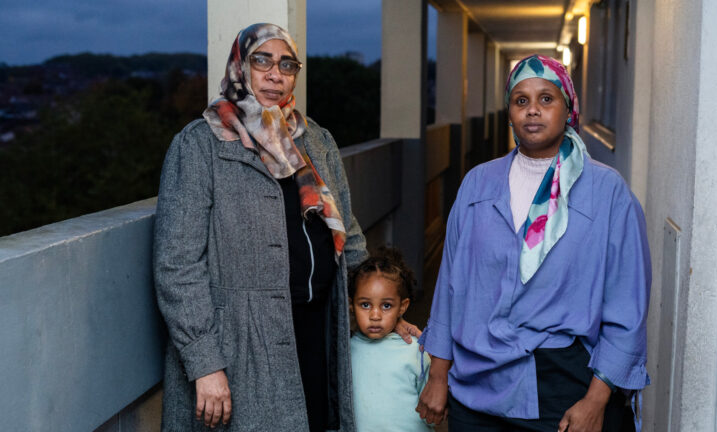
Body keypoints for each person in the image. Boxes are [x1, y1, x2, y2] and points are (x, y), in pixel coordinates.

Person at [154, 23, 418, 432]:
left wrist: (383, 303)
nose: (276, 74)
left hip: (317, 331)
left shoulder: (316, 141)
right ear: (241, 65)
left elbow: (348, 234)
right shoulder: (199, 146)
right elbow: (177, 266)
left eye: (287, 64)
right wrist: (205, 362)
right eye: (262, 61)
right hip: (241, 341)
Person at [416, 54, 651, 432]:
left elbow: (627, 306)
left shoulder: (607, 192)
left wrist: (596, 400)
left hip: (562, 388)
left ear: (568, 107)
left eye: (546, 98)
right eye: (521, 100)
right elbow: (450, 287)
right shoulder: (478, 183)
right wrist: (438, 376)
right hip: (477, 384)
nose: (532, 111)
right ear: (509, 113)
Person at [348, 248, 433, 432]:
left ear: (402, 307)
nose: (375, 315)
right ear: (350, 305)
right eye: (365, 305)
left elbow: (432, 409)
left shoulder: (415, 351)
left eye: (386, 305)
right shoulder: (345, 352)